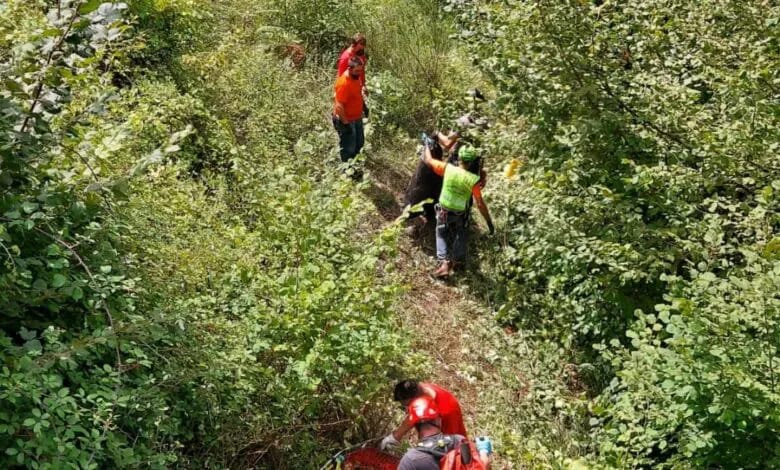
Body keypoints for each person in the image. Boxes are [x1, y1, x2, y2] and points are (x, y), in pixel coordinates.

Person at [419, 142, 494, 278]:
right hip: (460, 213)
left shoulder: (447, 169)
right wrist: (489, 223)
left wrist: (426, 145)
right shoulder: (473, 180)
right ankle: (457, 260)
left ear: (459, 158)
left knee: (441, 233)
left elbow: (429, 160)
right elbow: (480, 204)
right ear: (472, 162)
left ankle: (444, 263)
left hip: (444, 210)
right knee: (462, 232)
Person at [395, 396, 492, 470]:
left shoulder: (411, 460)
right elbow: (481, 466)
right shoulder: (459, 441)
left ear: (415, 425)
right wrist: (484, 451)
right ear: (439, 420)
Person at [381, 380, 467, 450]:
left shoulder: (446, 412)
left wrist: (395, 437)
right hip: (446, 408)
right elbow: (413, 416)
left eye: (406, 404)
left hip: (450, 419)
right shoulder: (418, 389)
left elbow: (410, 420)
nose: (406, 407)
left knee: (456, 448)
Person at [332, 56, 365, 162]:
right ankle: (347, 171)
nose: (359, 73)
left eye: (361, 70)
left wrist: (364, 107)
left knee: (359, 144)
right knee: (348, 148)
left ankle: (355, 167)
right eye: (357, 71)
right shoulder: (344, 83)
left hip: (357, 117)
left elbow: (358, 94)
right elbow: (339, 106)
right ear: (350, 69)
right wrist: (346, 124)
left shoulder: (356, 77)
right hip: (347, 120)